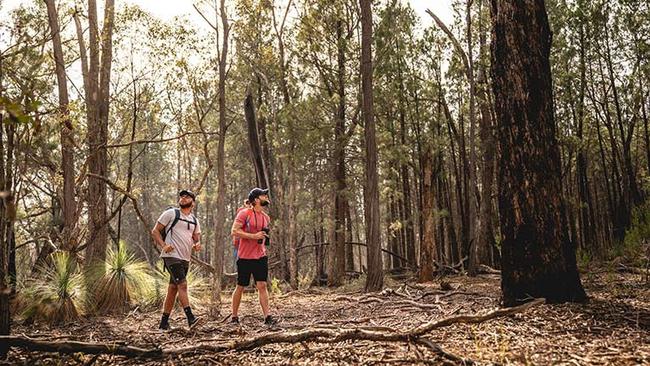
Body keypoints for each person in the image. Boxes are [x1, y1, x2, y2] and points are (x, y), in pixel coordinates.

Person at [151, 189, 202, 330]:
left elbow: (196, 238)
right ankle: (191, 318)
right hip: (171, 256)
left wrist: (197, 245)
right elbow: (155, 231)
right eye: (182, 196)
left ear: (193, 202)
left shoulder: (194, 220)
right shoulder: (171, 213)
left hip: (185, 258)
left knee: (173, 289)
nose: (183, 198)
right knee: (183, 285)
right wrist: (163, 245)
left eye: (187, 196)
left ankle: (163, 323)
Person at [230, 188, 276, 325]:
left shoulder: (266, 217)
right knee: (240, 286)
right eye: (263, 195)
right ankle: (234, 316)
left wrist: (264, 237)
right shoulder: (244, 213)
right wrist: (253, 236)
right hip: (244, 256)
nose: (266, 197)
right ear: (256, 199)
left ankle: (267, 317)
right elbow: (234, 231)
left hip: (260, 256)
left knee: (262, 285)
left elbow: (263, 235)